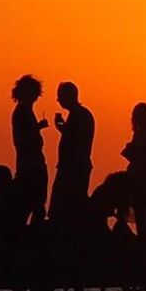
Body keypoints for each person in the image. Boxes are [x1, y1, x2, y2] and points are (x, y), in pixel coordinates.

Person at [91, 102, 146, 233]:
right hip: (140, 179)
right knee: (140, 212)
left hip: (144, 181)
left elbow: (142, 157)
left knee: (143, 213)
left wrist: (131, 151)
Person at [50, 81, 95, 229]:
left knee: (67, 208)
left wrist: (64, 129)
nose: (58, 100)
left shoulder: (80, 115)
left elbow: (77, 142)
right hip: (72, 167)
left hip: (74, 169)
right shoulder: (79, 115)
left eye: (60, 96)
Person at [10, 75, 48, 229]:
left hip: (31, 165)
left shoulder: (24, 112)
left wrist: (37, 127)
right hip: (31, 166)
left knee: (34, 205)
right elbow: (22, 139)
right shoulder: (21, 112)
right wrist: (36, 129)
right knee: (35, 205)